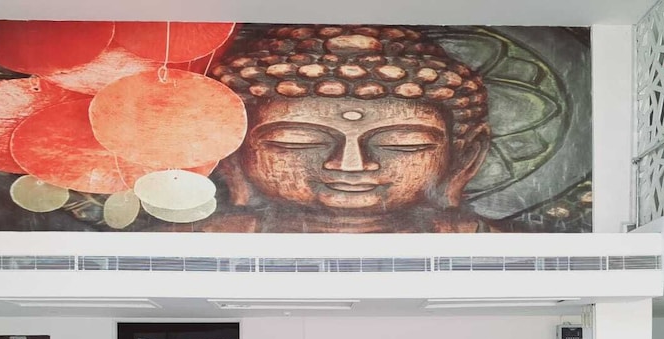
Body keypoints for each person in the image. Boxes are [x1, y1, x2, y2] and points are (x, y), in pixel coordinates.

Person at [205, 24, 493, 232]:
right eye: (297, 141)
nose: (351, 164)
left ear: (466, 157)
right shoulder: (193, 241)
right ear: (231, 153)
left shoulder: (496, 245)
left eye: (403, 143)